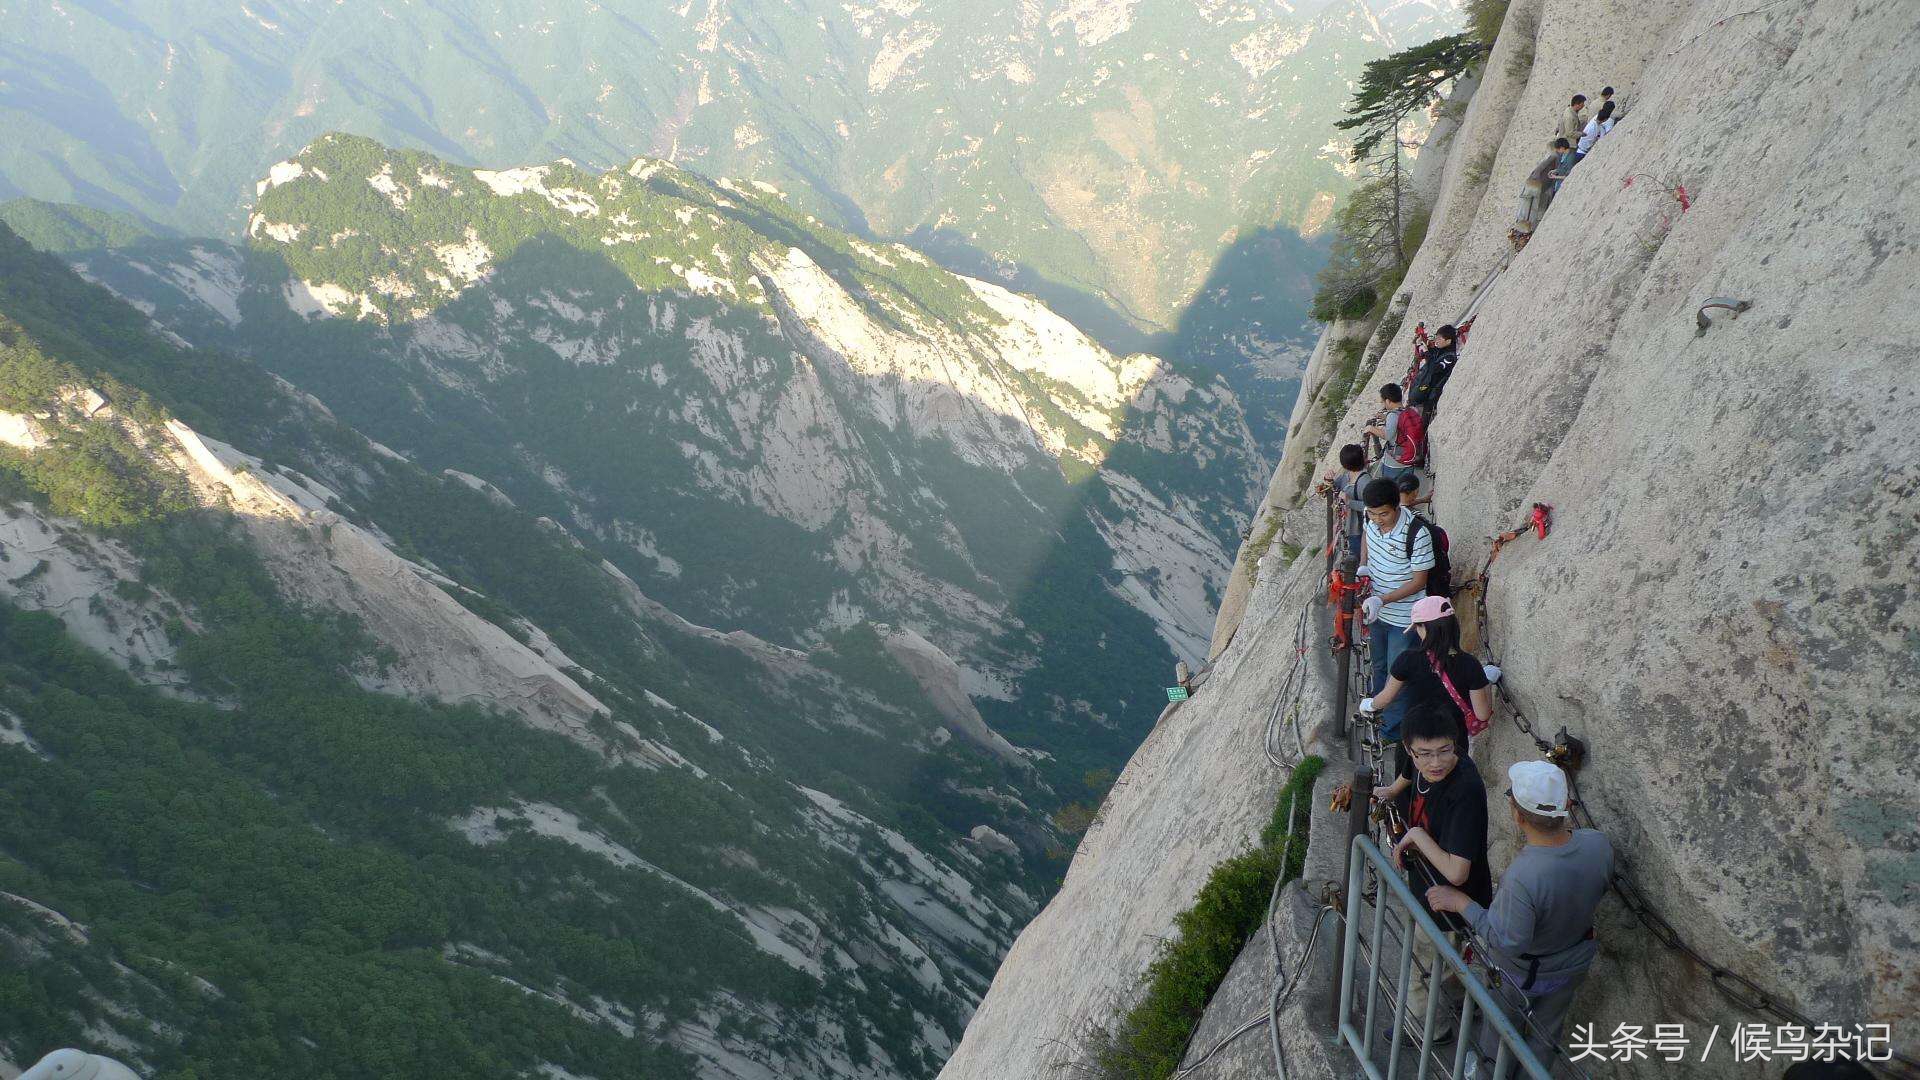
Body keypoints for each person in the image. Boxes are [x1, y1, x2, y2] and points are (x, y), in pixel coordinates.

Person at [1427, 761, 1613, 1072]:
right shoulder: (1598, 844)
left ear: (1517, 815)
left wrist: (1461, 903)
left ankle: (1490, 1072)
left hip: (1523, 973)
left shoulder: (1523, 876)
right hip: (1573, 962)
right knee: (1546, 1033)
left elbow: (1506, 940)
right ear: (1567, 806)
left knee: (1501, 1030)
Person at [1384, 704, 1494, 1045]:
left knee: (1422, 967)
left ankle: (1428, 1030)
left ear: (1456, 744)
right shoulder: (1418, 765)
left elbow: (1457, 872)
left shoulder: (1464, 791)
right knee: (1451, 960)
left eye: (1445, 751)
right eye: (1425, 754)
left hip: (1448, 899)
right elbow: (1407, 781)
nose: (1435, 763)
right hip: (1429, 887)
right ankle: (1464, 1002)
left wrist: (1415, 836)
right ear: (1409, 750)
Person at [1362, 594, 1490, 753]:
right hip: (1452, 745)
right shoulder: (1470, 664)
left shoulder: (1408, 659)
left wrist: (1369, 704)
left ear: (1424, 628)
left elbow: (1386, 698)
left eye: (1417, 627)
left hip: (1414, 739)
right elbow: (1483, 714)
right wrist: (1486, 682)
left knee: (1406, 777)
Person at [1357, 477, 1433, 738]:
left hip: (1404, 618)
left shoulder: (1417, 533)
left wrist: (1383, 599)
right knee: (1378, 665)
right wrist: (1363, 564)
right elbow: (1367, 533)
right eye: (1373, 513)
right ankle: (1379, 709)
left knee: (1396, 674)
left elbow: (1419, 581)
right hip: (1377, 611)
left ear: (1397, 506)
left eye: (1384, 514)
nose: (1378, 519)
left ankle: (1393, 731)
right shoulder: (1371, 520)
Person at [1364, 383, 1422, 482]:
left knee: (1391, 487)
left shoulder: (1393, 415)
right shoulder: (1407, 410)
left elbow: (1387, 435)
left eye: (1383, 402)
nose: (1384, 404)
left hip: (1395, 462)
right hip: (1410, 456)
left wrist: (1370, 428)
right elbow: (1399, 425)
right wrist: (1385, 418)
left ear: (1388, 401)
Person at [1332, 442, 1370, 565]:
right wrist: (1328, 481)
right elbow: (1335, 486)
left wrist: (1350, 502)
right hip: (1347, 527)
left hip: (1359, 529)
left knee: (1359, 559)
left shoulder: (1365, 481)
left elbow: (1372, 507)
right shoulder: (1346, 476)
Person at [1408, 323, 1458, 415]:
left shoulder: (1450, 357)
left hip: (1428, 399)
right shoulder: (1439, 351)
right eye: (1436, 337)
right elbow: (1427, 354)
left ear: (1448, 341)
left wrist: (1427, 352)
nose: (1436, 341)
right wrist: (1420, 344)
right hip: (1420, 394)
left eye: (1439, 338)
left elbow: (1434, 369)